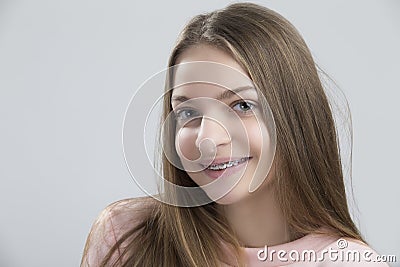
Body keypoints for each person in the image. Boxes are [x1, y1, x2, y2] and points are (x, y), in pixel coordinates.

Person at [81, 3, 389, 266]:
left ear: (295, 116)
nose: (207, 139)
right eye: (188, 112)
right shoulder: (126, 235)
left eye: (242, 105)